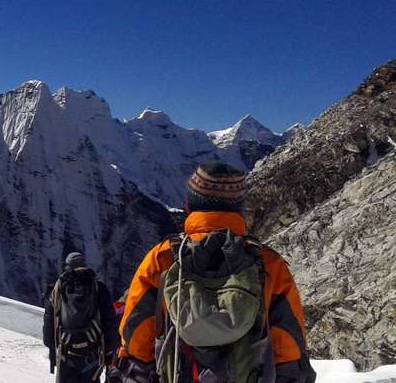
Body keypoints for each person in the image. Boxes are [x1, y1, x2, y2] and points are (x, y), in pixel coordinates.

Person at [114, 162, 317, 383]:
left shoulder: (162, 258)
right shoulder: (267, 263)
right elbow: (288, 343)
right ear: (237, 209)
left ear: (189, 206)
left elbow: (136, 333)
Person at [44, 252, 119, 383]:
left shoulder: (58, 289)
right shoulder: (99, 288)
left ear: (67, 266)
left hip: (66, 353)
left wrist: (51, 346)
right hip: (91, 354)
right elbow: (110, 323)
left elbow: (49, 319)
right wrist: (109, 353)